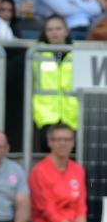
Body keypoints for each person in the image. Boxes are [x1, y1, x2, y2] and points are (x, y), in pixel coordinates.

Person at [32, 14, 75, 152]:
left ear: (66, 31)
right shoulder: (35, 53)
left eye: (58, 28)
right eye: (50, 29)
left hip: (73, 117)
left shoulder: (80, 51)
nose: (54, 32)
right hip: (46, 117)